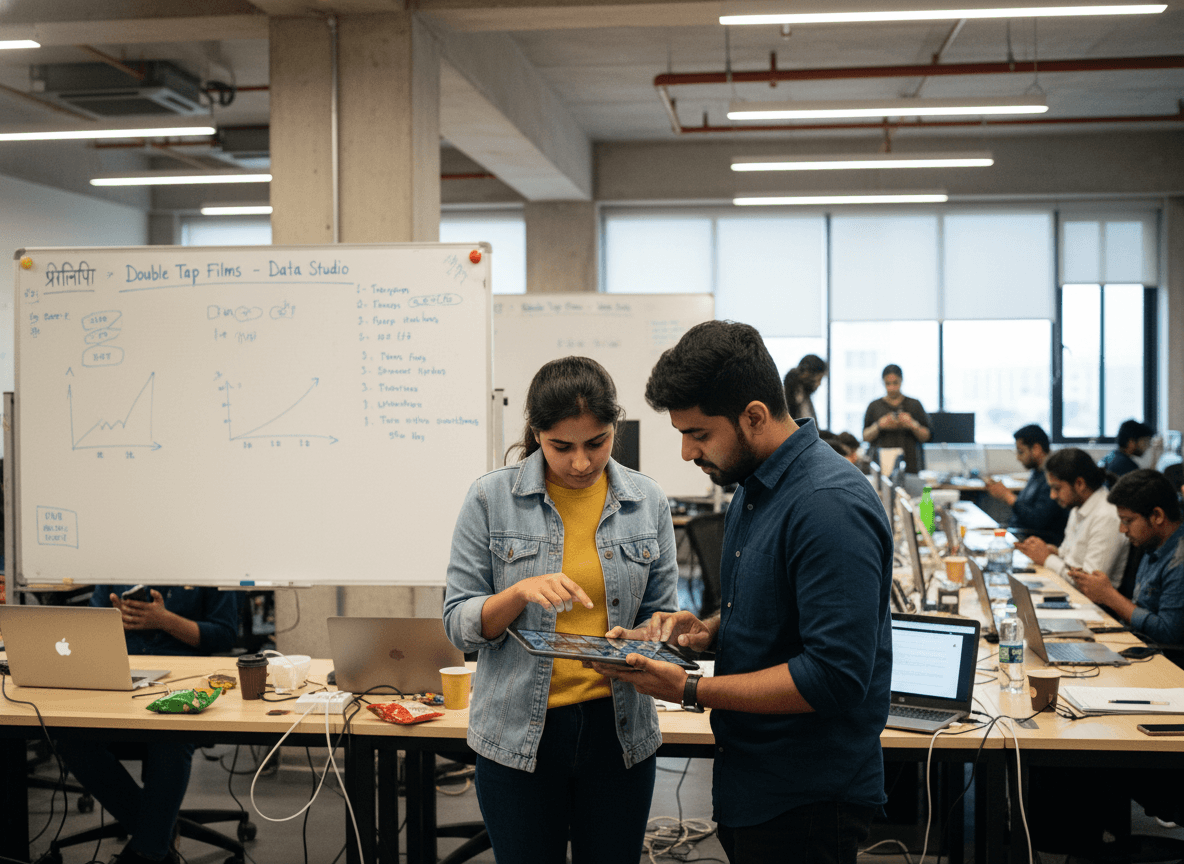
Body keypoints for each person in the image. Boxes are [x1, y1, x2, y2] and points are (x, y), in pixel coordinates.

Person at [593, 321, 893, 864]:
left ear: (754, 416)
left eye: (699, 434)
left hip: (806, 797)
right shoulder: (757, 488)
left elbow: (834, 676)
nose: (686, 452)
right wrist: (708, 631)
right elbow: (780, 612)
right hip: (753, 781)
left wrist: (689, 688)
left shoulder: (828, 504)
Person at [442, 356, 679, 864]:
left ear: (615, 428)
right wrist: (518, 593)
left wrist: (648, 637)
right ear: (536, 434)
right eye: (561, 447)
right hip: (516, 735)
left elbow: (663, 617)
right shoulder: (490, 498)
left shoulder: (648, 501)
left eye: (597, 442)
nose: (580, 463)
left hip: (619, 731)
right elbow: (458, 624)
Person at [56, 586, 239, 864]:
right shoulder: (112, 568)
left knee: (170, 737)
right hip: (121, 674)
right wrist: (107, 626)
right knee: (72, 739)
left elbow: (224, 635)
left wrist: (165, 621)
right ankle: (158, 834)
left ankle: (147, 853)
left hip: (183, 679)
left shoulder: (209, 569)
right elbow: (87, 630)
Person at [1068, 469, 1184, 646]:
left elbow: (1168, 633)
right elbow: (1141, 607)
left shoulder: (1179, 561)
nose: (1122, 530)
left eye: (1127, 521)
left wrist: (1109, 596)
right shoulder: (1152, 543)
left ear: (1157, 516)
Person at [1015, 448, 1128, 587]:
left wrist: (1047, 559)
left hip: (1088, 599)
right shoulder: (1077, 507)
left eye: (1057, 488)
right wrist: (1050, 551)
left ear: (1080, 484)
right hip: (1070, 590)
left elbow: (1089, 584)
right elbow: (1068, 556)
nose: (1052, 496)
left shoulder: (1107, 516)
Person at [984, 424, 1069, 545]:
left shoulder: (1052, 477)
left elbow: (1038, 521)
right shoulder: (1037, 472)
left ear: (1036, 449)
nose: (1018, 458)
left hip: (1036, 541)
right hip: (1019, 533)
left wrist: (1008, 496)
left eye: (1021, 452)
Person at [862, 364, 930, 474]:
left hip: (911, 467)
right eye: (888, 384)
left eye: (895, 383)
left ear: (901, 381)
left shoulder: (914, 405)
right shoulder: (874, 406)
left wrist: (912, 424)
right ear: (883, 382)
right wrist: (879, 425)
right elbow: (865, 436)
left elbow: (926, 436)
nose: (892, 388)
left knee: (919, 486)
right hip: (881, 468)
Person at [782, 354, 827, 421]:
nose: (819, 384)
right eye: (818, 379)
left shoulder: (804, 396)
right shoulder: (790, 397)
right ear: (807, 375)